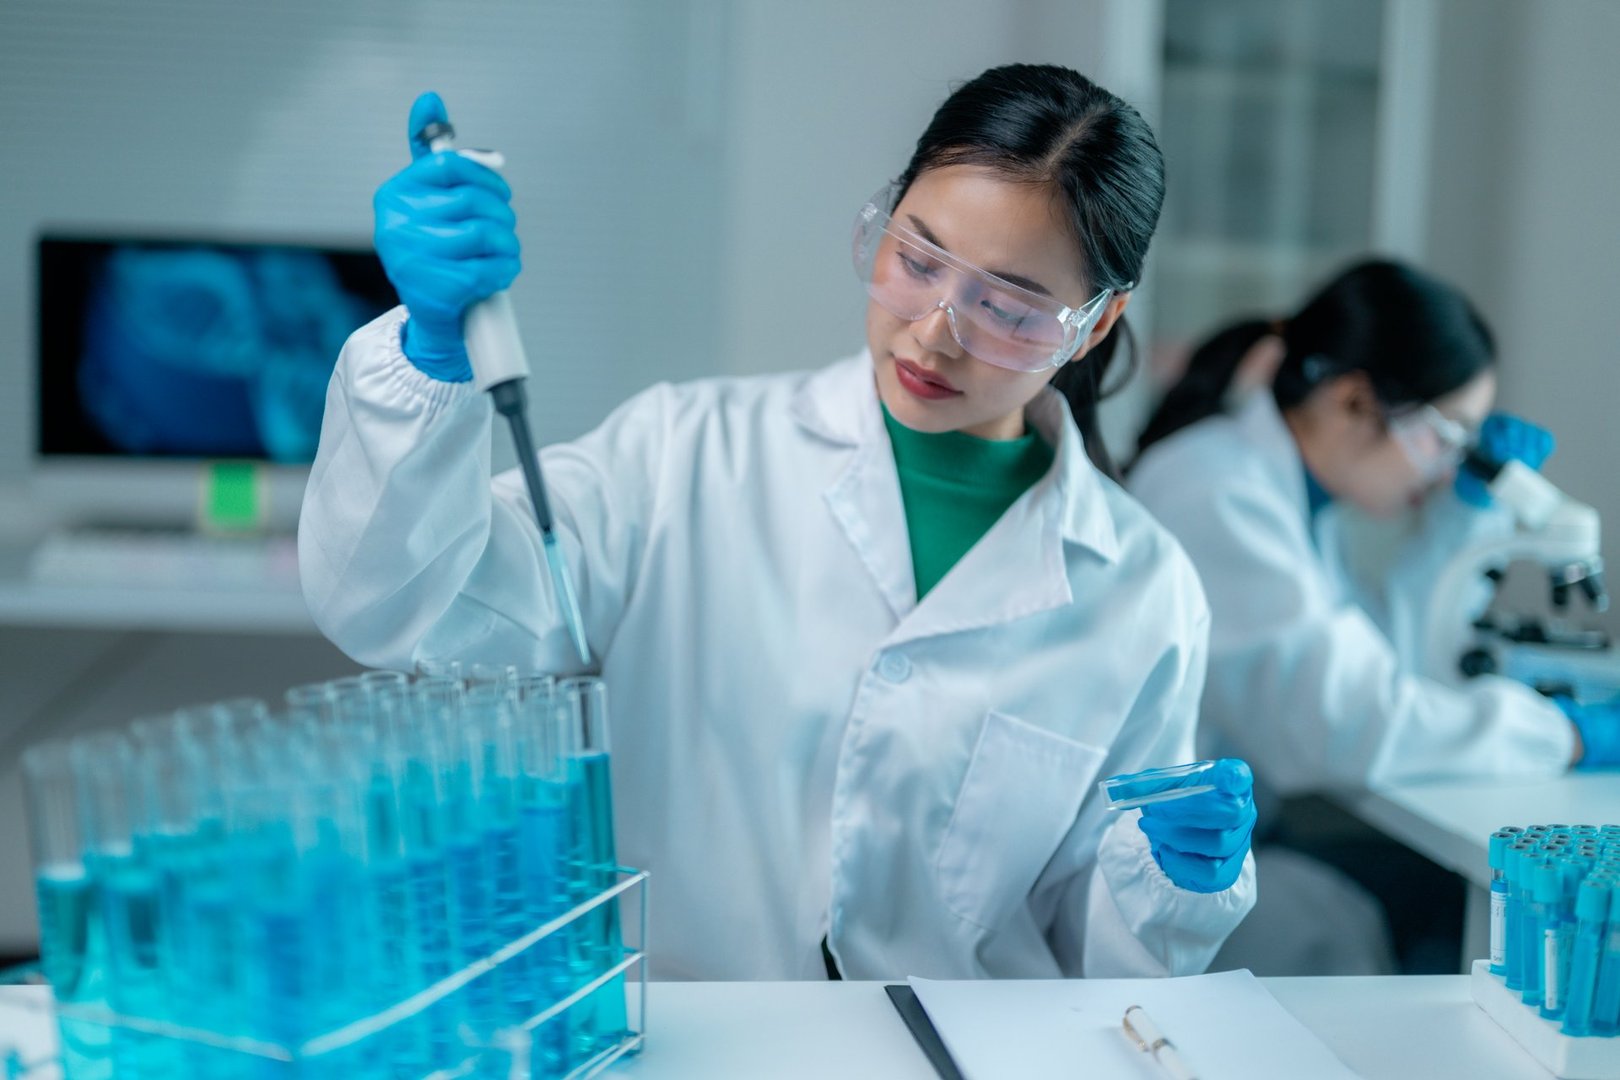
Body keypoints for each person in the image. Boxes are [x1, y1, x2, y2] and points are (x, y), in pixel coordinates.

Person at [300, 64, 1256, 982]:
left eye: (1006, 306)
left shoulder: (1141, 590)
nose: (933, 330)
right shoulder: (683, 454)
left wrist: (1175, 882)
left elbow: (1104, 971)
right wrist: (428, 356)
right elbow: (406, 615)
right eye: (918, 259)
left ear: (1092, 324)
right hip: (689, 1047)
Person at [1129, 260, 1619, 971]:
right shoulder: (1218, 494)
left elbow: (1387, 663)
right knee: (1454, 923)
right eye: (1445, 437)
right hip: (1168, 870)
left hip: (1236, 834)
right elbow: (1353, 722)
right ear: (1355, 402)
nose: (1447, 468)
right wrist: (1564, 736)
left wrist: (1463, 525)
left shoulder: (1291, 502)